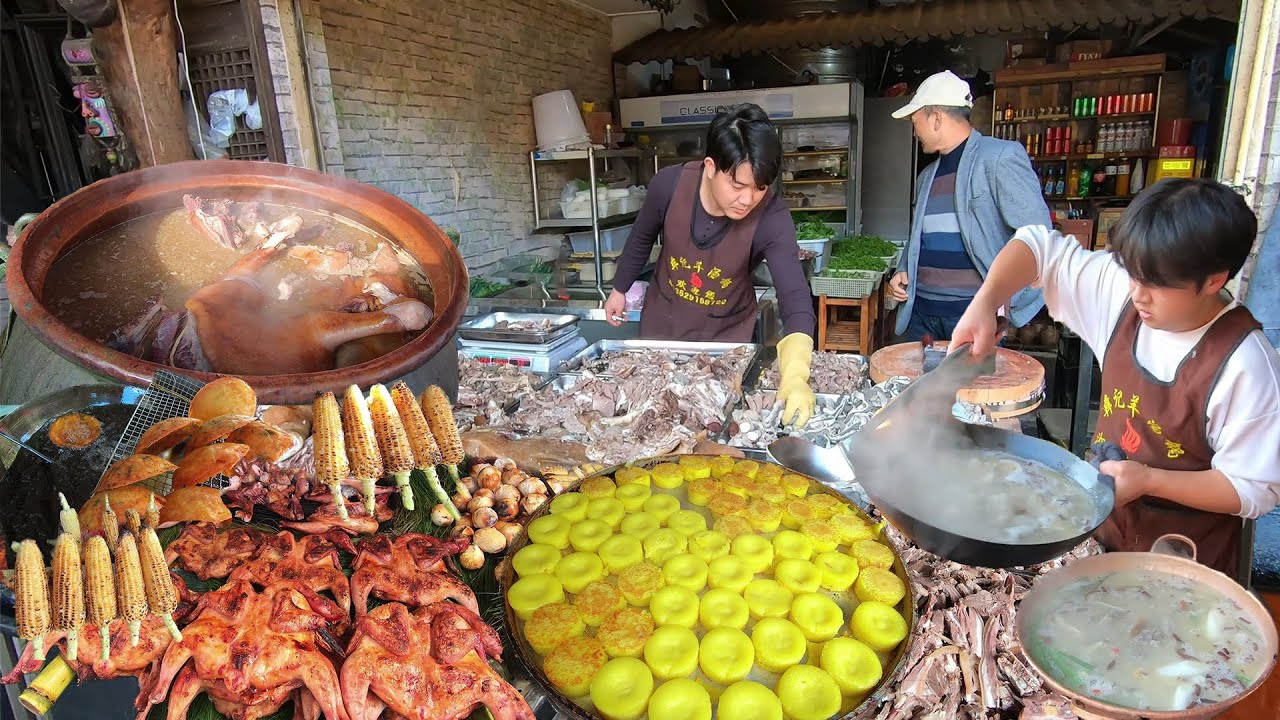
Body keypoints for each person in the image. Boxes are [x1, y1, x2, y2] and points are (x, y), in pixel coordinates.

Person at [950, 178, 1280, 580]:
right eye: (1132, 275)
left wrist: (1150, 480)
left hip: (1186, 563)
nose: (1138, 294)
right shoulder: (1126, 293)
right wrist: (984, 303)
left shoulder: (1246, 364)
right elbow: (1038, 248)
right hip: (1104, 528)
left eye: (1156, 285)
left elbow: (1250, 490)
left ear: (1213, 280)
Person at [604, 104, 817, 426]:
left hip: (726, 342)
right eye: (737, 185)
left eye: (759, 187)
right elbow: (640, 238)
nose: (748, 200)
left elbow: (795, 296)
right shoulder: (669, 185)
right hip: (663, 329)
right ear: (710, 166)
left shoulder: (771, 216)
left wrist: (797, 374)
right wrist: (619, 289)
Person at [887, 70, 1050, 341]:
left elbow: (1039, 240)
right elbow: (920, 237)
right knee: (912, 385)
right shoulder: (926, 177)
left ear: (936, 118)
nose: (914, 131)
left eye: (915, 121)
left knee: (971, 386)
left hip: (973, 317)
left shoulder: (998, 158)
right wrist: (903, 268)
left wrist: (1008, 305)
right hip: (921, 317)